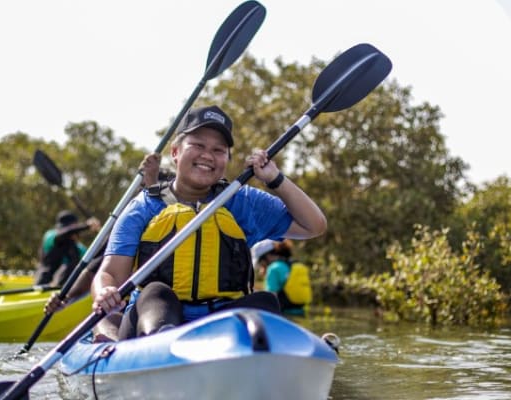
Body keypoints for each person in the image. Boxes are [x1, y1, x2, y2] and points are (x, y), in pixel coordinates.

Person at [92, 105, 327, 341]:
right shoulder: (144, 207)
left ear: (226, 159)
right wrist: (106, 291)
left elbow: (314, 225)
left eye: (219, 150)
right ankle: (162, 346)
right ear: (175, 152)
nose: (208, 155)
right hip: (155, 320)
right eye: (198, 146)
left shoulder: (243, 201)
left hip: (219, 323)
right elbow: (110, 273)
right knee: (155, 293)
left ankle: (253, 353)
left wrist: (275, 179)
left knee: (265, 301)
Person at [42, 154, 174, 319]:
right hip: (135, 308)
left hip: (176, 304)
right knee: (104, 319)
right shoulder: (128, 226)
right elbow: (93, 271)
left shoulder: (193, 218)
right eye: (143, 190)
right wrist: (66, 297)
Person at [34, 210, 102, 287]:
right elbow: (65, 233)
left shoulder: (78, 248)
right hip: (43, 282)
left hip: (64, 287)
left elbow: (95, 259)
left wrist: (103, 236)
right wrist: (87, 225)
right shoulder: (50, 236)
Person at [251, 239, 312, 316]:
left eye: (260, 262)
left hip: (283, 315)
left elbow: (270, 299)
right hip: (301, 313)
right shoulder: (294, 265)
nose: (261, 266)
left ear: (267, 256)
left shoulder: (273, 269)